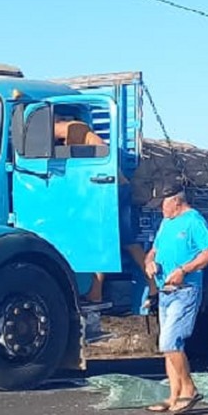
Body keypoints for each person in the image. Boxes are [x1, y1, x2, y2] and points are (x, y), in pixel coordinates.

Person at [52, 109, 157, 305]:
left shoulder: (74, 129)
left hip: (110, 190)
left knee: (105, 237)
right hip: (112, 188)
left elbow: (97, 153)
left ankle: (98, 291)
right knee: (119, 241)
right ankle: (145, 284)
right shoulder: (75, 134)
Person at [143, 187, 208, 415]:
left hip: (185, 291)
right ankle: (174, 396)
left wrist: (184, 270)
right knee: (169, 347)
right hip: (165, 292)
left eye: (163, 203)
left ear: (176, 201)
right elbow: (153, 251)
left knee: (169, 342)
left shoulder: (193, 221)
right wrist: (149, 262)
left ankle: (189, 389)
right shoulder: (166, 222)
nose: (160, 208)